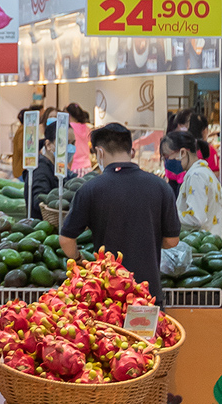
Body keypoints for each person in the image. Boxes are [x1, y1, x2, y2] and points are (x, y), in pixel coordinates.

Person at [61, 121, 181, 300]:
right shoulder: (161, 187)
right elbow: (172, 240)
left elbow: (66, 240)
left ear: (100, 152)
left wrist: (80, 260)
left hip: (107, 296)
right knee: (148, 320)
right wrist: (149, 243)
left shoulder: (90, 189)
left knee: (110, 320)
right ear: (130, 150)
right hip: (148, 294)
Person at [167, 132, 222, 236]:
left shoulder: (196, 176)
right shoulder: (201, 172)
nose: (166, 162)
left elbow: (195, 218)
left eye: (167, 156)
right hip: (211, 240)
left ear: (182, 152)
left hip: (205, 242)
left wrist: (168, 216)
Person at [65, 103, 94, 175]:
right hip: (87, 165)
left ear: (69, 114)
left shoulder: (69, 128)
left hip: (74, 166)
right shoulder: (87, 128)